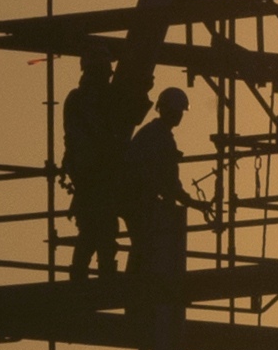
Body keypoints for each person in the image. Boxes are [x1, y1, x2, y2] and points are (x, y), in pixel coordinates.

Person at [125, 86, 214, 276]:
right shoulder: (160, 137)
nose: (180, 116)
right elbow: (168, 182)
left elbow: (166, 181)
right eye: (178, 111)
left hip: (135, 198)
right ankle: (136, 284)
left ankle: (135, 282)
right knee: (146, 246)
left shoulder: (153, 133)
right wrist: (191, 202)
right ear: (170, 111)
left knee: (143, 246)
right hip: (138, 200)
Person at [61, 53, 130, 281]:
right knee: (102, 226)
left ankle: (84, 273)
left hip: (86, 172)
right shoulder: (89, 101)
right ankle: (102, 272)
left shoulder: (80, 99)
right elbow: (101, 133)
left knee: (92, 228)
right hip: (94, 173)